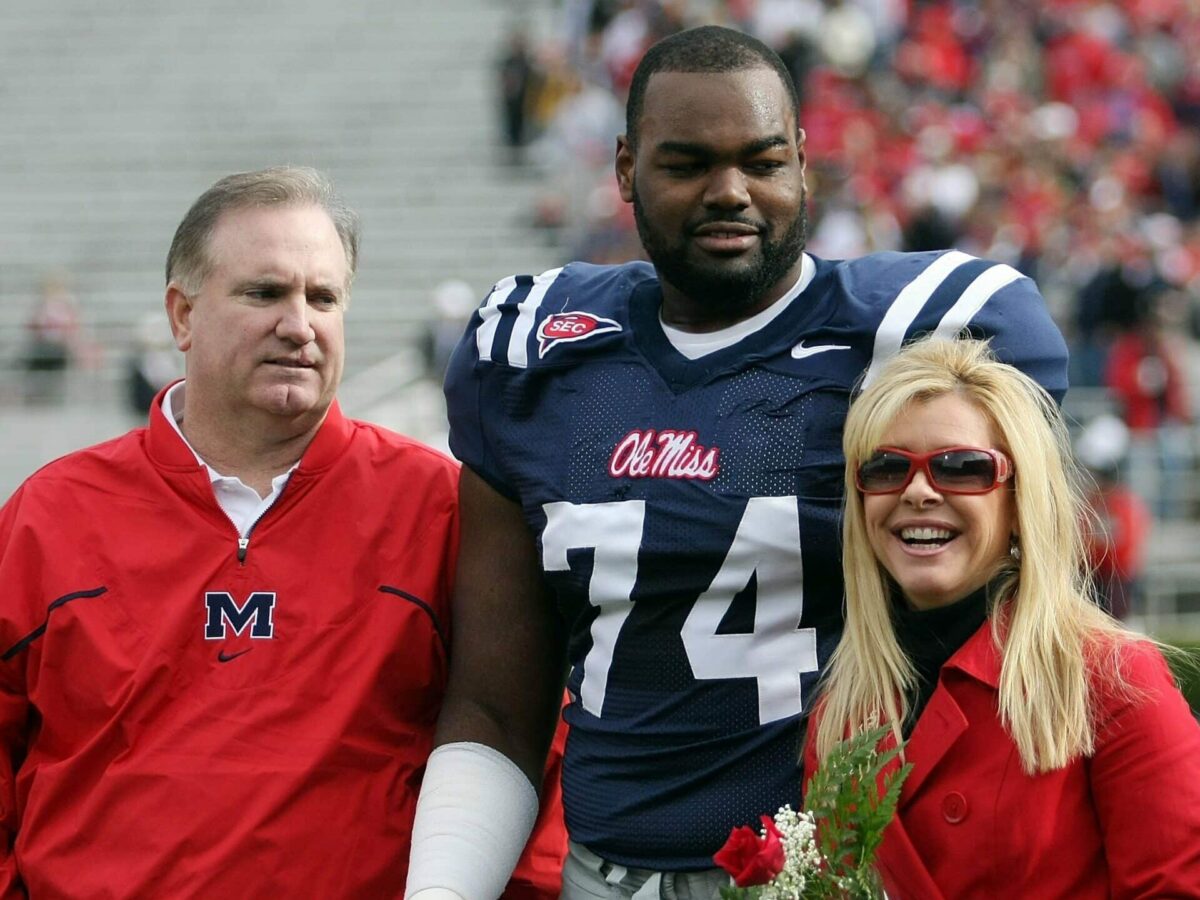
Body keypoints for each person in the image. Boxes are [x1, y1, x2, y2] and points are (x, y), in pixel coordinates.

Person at [405, 25, 1068, 899]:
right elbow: (496, 700)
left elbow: (1035, 610)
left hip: (837, 867)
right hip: (607, 874)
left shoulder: (915, 332)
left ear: (804, 163)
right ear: (625, 171)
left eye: (761, 161)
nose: (731, 192)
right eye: (686, 165)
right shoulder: (539, 350)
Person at [0, 167, 564, 897]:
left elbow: (530, 751)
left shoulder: (448, 508)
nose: (299, 325)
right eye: (264, 293)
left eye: (322, 297)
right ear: (181, 317)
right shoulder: (49, 515)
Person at [806, 337, 1200, 898]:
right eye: (887, 468)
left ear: (1019, 501)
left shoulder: (1113, 680)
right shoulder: (840, 713)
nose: (917, 491)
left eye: (962, 467)